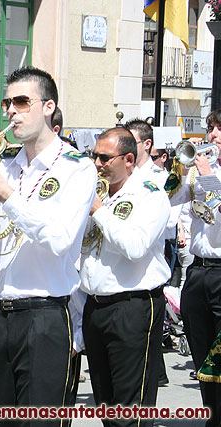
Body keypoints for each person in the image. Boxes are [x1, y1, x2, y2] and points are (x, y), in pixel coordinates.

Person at [0, 67, 96, 423]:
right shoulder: (5, 164)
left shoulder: (77, 168)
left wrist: (8, 197)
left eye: (22, 102)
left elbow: (59, 239)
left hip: (45, 315)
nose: (11, 111)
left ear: (48, 107)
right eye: (7, 103)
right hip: (0, 314)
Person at [78, 127, 169, 427]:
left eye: (105, 158)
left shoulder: (150, 195)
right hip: (96, 305)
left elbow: (135, 247)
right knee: (106, 404)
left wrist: (99, 211)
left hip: (133, 305)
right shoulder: (98, 194)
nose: (97, 164)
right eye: (94, 156)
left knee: (130, 409)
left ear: (128, 159)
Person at [169, 109, 221, 426]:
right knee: (202, 357)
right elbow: (169, 202)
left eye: (219, 129)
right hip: (198, 272)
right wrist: (180, 170)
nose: (212, 135)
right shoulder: (202, 170)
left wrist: (206, 178)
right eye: (211, 128)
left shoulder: (208, 175)